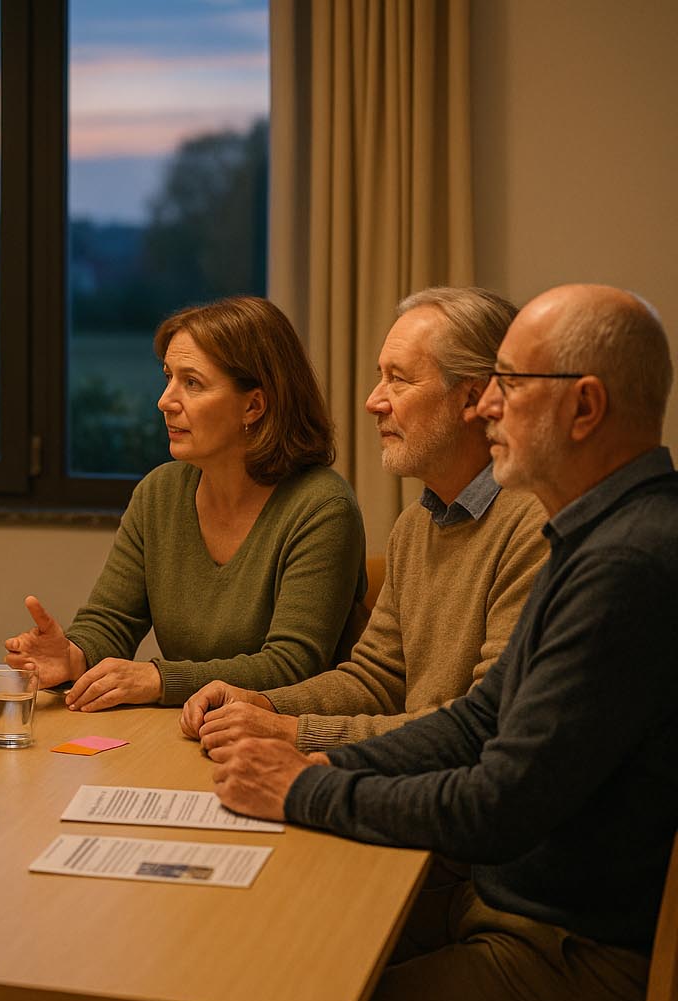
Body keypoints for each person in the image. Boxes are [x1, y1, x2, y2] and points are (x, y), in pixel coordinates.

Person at [210, 284, 677, 1001]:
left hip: (563, 947)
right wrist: (323, 763)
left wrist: (301, 788)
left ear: (585, 409)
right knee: (252, 946)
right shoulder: (590, 534)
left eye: (512, 386)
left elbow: (496, 803)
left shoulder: (627, 564)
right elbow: (475, 723)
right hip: (502, 898)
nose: (490, 404)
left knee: (292, 999)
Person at [182, 287, 548, 751]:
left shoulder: (537, 526)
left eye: (398, 379)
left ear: (472, 397)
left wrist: (295, 732)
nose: (374, 401)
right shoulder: (415, 525)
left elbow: (481, 727)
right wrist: (263, 704)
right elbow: (378, 679)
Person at [5, 296, 366, 710]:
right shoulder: (160, 492)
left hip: (285, 740)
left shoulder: (322, 507)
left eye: (192, 383)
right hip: (187, 728)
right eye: (168, 377)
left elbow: (292, 666)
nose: (165, 401)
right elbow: (112, 620)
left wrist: (159, 678)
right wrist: (72, 655)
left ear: (254, 405)